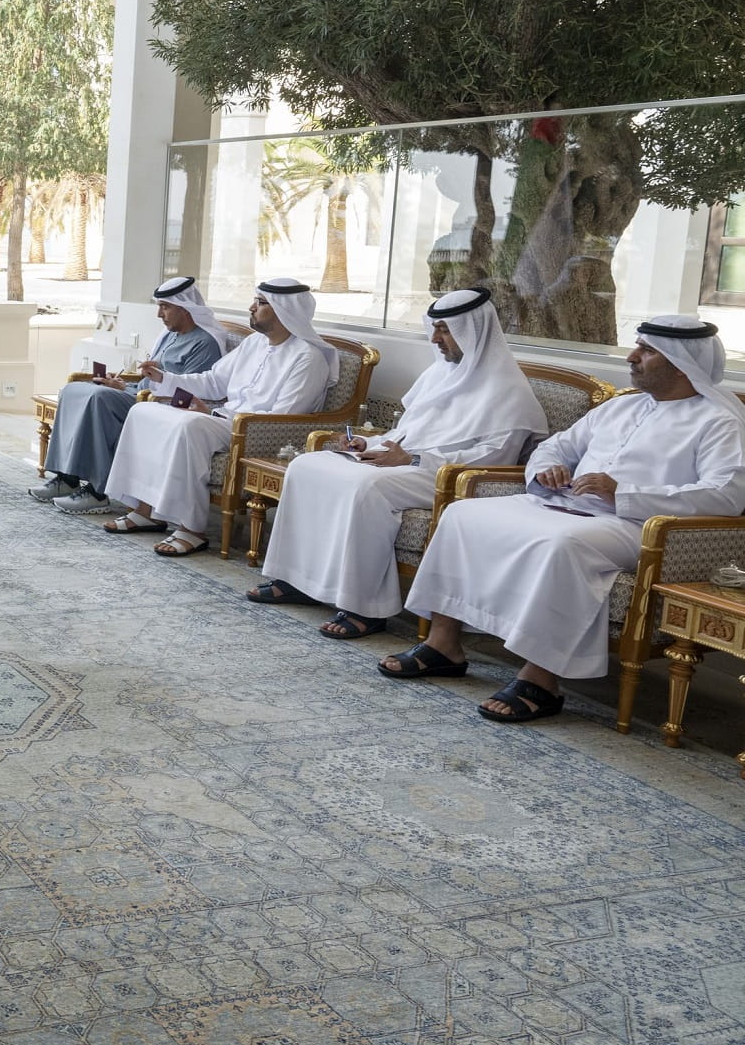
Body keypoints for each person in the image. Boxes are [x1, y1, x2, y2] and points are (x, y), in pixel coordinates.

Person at [383, 316, 745, 722]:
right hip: (566, 504)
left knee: (564, 545)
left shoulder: (719, 422)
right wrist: (547, 469)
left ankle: (541, 678)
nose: (632, 357)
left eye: (646, 350)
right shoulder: (621, 406)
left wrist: (623, 493)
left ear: (681, 363)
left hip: (635, 525)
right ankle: (443, 644)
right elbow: (555, 447)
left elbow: (726, 495)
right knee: (462, 514)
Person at [249, 288, 546, 638]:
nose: (435, 339)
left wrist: (415, 458)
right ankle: (298, 579)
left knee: (366, 487)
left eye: (445, 330)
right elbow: (406, 431)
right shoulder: (440, 373)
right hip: (406, 462)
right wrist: (368, 442)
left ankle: (365, 608)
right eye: (434, 328)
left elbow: (495, 459)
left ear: (473, 331)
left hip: (443, 476)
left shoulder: (508, 390)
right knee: (306, 466)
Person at [102, 277, 334, 556]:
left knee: (191, 426)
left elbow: (283, 416)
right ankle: (145, 509)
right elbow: (213, 381)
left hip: (256, 431)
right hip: (225, 420)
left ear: (285, 311)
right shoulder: (254, 344)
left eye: (260, 303)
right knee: (143, 411)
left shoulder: (307, 358)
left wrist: (211, 412)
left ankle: (192, 528)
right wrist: (164, 377)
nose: (251, 307)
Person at [31, 276, 227, 514]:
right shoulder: (170, 335)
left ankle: (98, 492)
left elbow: (189, 395)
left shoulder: (205, 344)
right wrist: (122, 386)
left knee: (98, 399)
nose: (159, 314)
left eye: (165, 307)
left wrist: (136, 390)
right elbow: (149, 375)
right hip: (138, 395)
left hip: (160, 407)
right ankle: (67, 479)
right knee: (73, 390)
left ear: (185, 309)